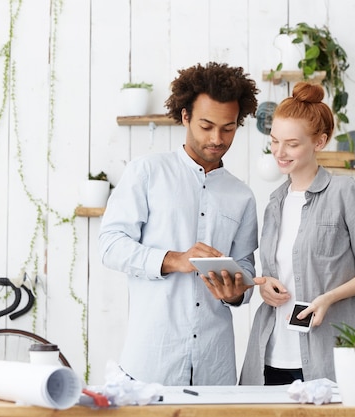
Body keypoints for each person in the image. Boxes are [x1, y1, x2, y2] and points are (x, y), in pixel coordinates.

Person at [99, 62, 263, 386]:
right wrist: (175, 259)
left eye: (228, 128)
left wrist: (234, 293)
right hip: (152, 362)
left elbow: (245, 268)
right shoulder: (146, 173)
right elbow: (110, 245)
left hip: (215, 368)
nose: (217, 138)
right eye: (206, 125)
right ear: (185, 116)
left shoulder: (242, 195)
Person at [239, 82, 355, 385]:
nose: (280, 152)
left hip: (327, 353)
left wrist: (328, 299)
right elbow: (278, 272)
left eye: (292, 144)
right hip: (271, 352)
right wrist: (265, 286)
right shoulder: (274, 204)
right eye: (274, 141)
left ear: (319, 142)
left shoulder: (345, 193)